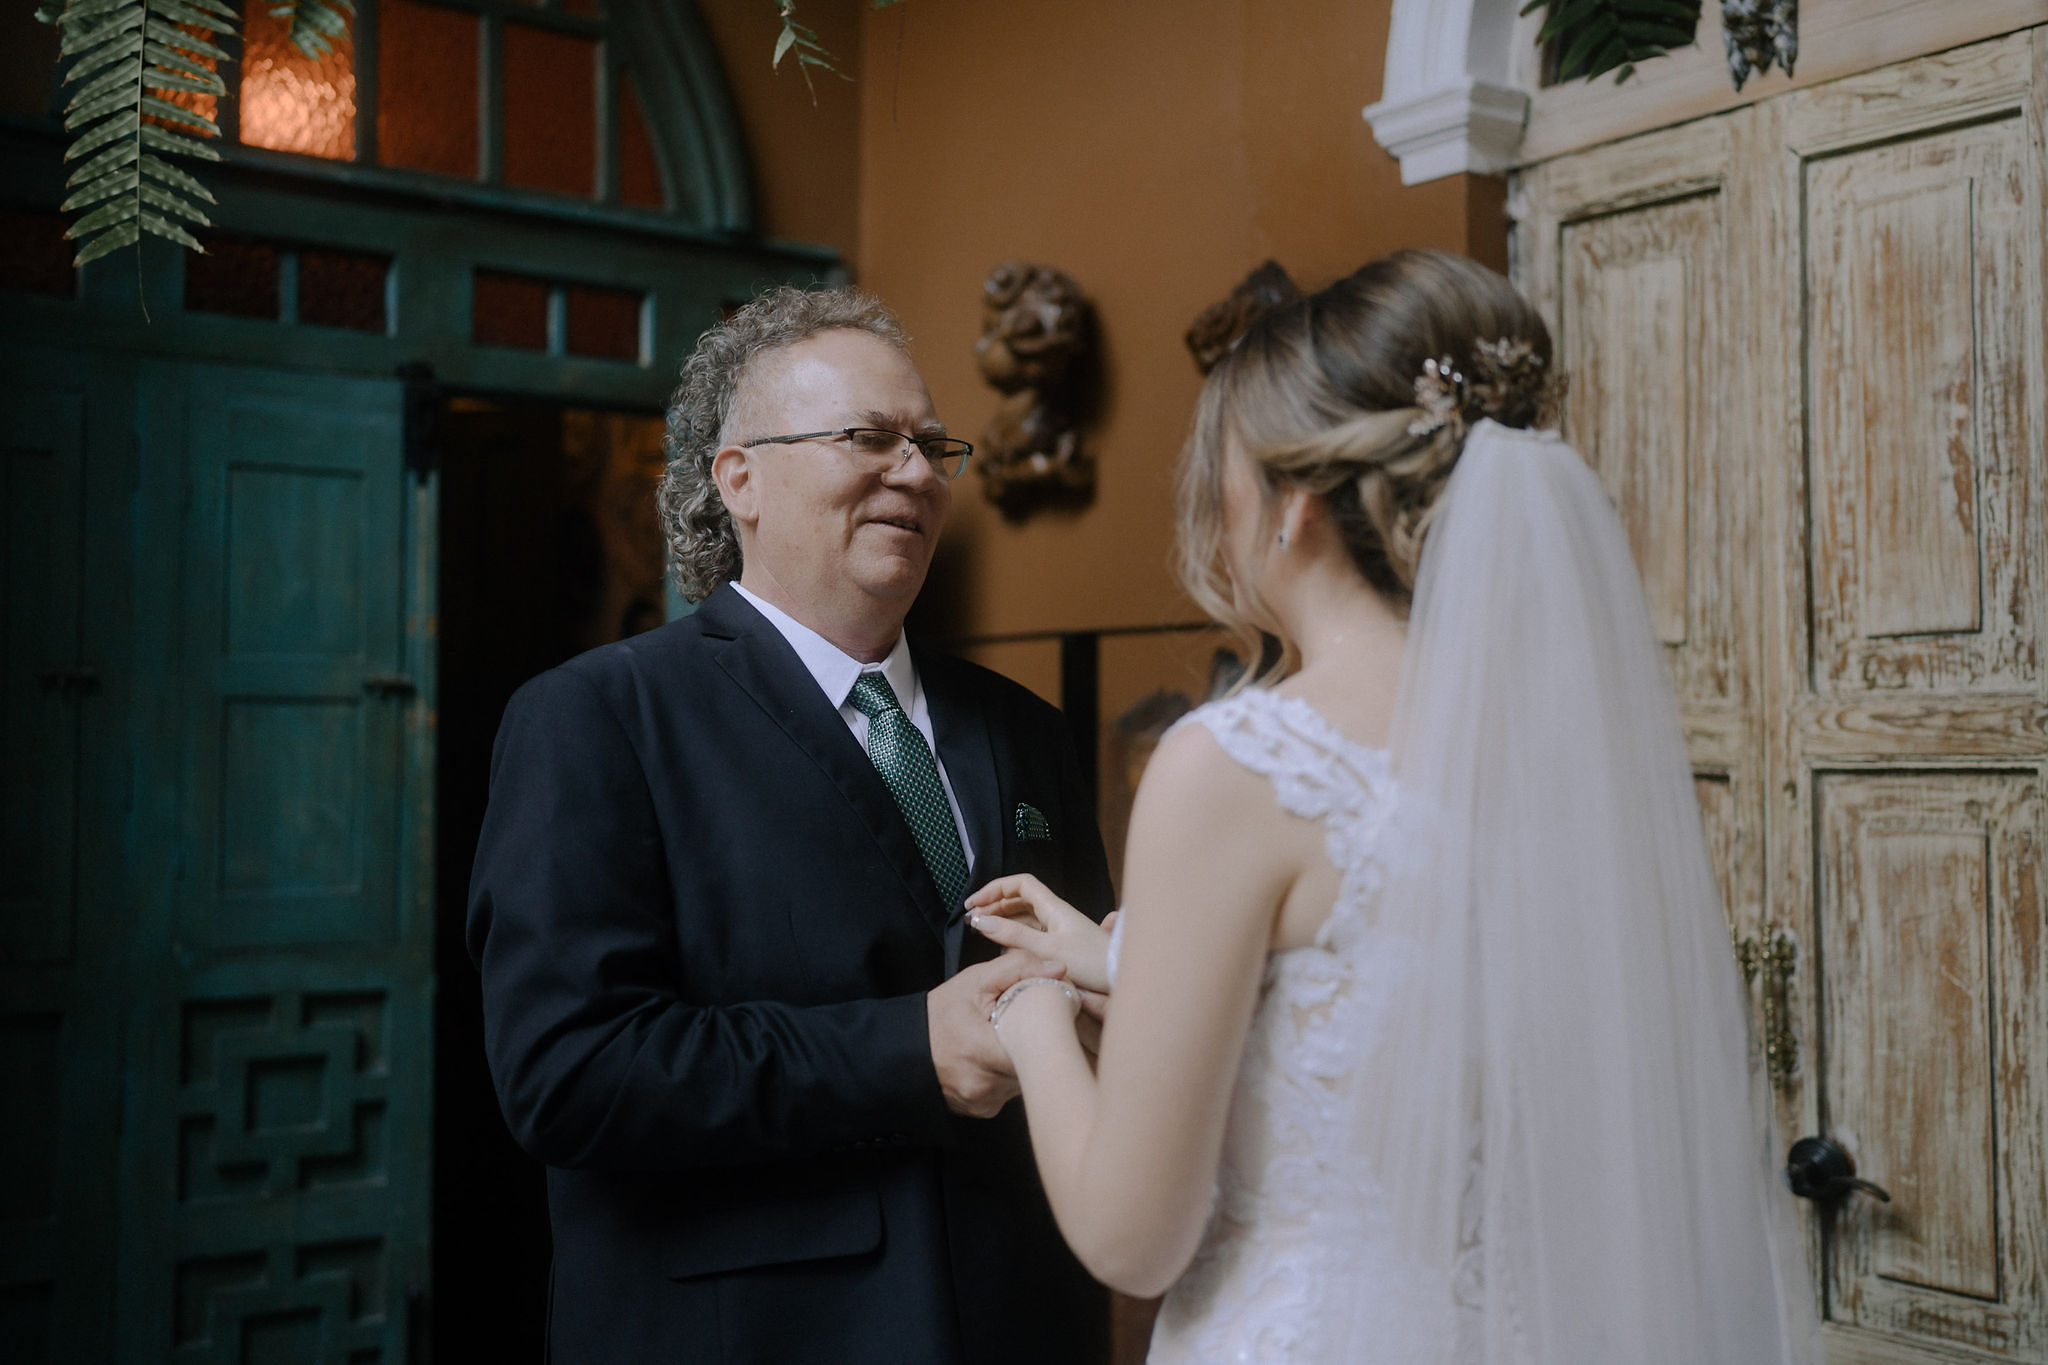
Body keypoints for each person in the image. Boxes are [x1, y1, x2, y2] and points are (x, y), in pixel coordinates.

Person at [966, 250, 1820, 1363]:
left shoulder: (1237, 760)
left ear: (1293, 504)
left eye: (1225, 467)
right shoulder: (1561, 748)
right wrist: (1123, 959)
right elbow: (1398, 1009)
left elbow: (1133, 1238)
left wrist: (1029, 1022)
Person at [466, 286, 1112, 1365]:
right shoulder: (594, 719)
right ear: (740, 478)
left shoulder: (1026, 729)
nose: (913, 470)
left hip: (1020, 1312)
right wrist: (908, 1049)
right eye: (867, 437)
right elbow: (567, 1073)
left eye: (929, 445)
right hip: (757, 1330)